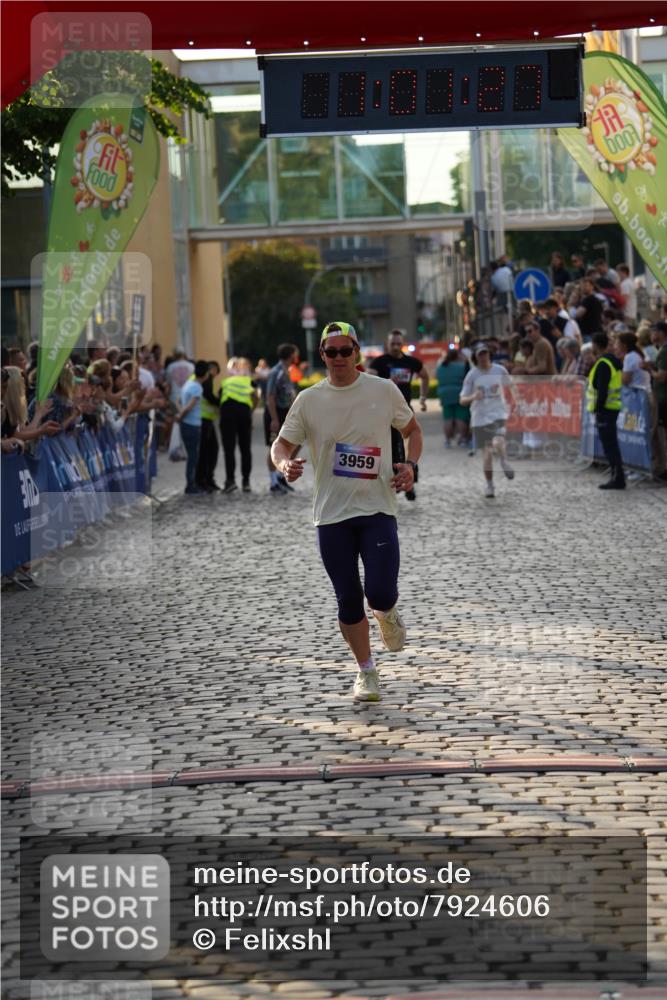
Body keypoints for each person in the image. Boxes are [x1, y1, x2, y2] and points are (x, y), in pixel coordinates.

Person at [271, 321, 423, 703]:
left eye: (345, 350)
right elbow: (281, 445)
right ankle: (365, 671)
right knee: (348, 598)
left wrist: (411, 465)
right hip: (332, 514)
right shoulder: (309, 400)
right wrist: (283, 465)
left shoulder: (383, 390)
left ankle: (387, 614)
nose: (338, 358)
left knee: (380, 591)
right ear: (322, 355)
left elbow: (413, 430)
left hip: (377, 508)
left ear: (357, 353)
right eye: (331, 352)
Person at [367, 329, 429, 501]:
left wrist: (423, 397)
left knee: (411, 448)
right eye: (392, 343)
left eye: (398, 343)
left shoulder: (411, 362)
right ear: (388, 344)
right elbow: (368, 380)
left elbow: (425, 376)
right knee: (392, 448)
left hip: (405, 411)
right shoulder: (380, 362)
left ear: (403, 344)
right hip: (384, 412)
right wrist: (383, 384)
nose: (395, 347)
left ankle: (411, 483)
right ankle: (393, 483)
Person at [459, 344, 516, 498]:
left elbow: (511, 387)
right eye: (480, 355)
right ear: (476, 357)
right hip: (480, 417)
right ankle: (490, 485)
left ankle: (504, 461)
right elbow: (462, 399)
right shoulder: (472, 375)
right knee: (487, 452)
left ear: (489, 354)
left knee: (498, 441)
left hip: (498, 413)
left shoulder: (500, 370)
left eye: (485, 354)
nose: (483, 357)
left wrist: (515, 403)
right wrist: (473, 397)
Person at [587, 331, 624, 490]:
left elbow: (602, 390)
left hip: (606, 409)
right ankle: (617, 476)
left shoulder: (603, 364)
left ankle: (618, 478)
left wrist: (597, 408)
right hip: (611, 408)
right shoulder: (611, 362)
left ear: (596, 345)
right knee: (611, 445)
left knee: (610, 446)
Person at [265, 343, 298, 494]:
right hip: (276, 412)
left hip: (285, 412)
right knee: (275, 446)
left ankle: (280, 476)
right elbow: (270, 397)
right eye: (295, 353)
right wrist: (274, 419)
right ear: (291, 355)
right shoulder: (276, 372)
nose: (296, 356)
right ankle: (273, 481)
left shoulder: (286, 370)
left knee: (294, 443)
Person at [219, 357, 256, 493]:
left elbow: (219, 400)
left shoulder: (226, 382)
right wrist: (251, 411)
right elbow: (256, 396)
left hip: (227, 414)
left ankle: (230, 481)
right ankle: (246, 482)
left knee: (229, 449)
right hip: (244, 414)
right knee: (245, 449)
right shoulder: (249, 381)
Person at [174, 360, 209, 495]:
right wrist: (182, 416)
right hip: (193, 425)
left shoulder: (188, 384)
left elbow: (178, 401)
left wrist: (179, 413)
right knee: (193, 457)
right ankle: (190, 485)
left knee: (191, 455)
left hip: (186, 424)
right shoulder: (198, 388)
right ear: (205, 374)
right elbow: (190, 406)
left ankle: (191, 484)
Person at [436, 347, 470, 447]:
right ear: (457, 356)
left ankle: (447, 441)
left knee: (448, 418)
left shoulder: (441, 367)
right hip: (459, 393)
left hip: (444, 394)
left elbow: (436, 377)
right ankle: (463, 439)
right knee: (460, 417)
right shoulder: (462, 366)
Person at [196, 361, 222, 492]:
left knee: (209, 450)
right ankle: (204, 480)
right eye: (216, 372)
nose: (215, 376)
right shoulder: (207, 377)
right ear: (212, 369)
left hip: (204, 419)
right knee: (208, 451)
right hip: (203, 419)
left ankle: (206, 479)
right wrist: (220, 403)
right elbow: (207, 394)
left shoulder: (196, 377)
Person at [576, 277, 605, 341]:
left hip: (588, 333)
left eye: (586, 285)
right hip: (594, 331)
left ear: (592, 286)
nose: (583, 288)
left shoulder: (589, 299)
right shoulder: (596, 299)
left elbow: (578, 314)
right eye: (582, 285)